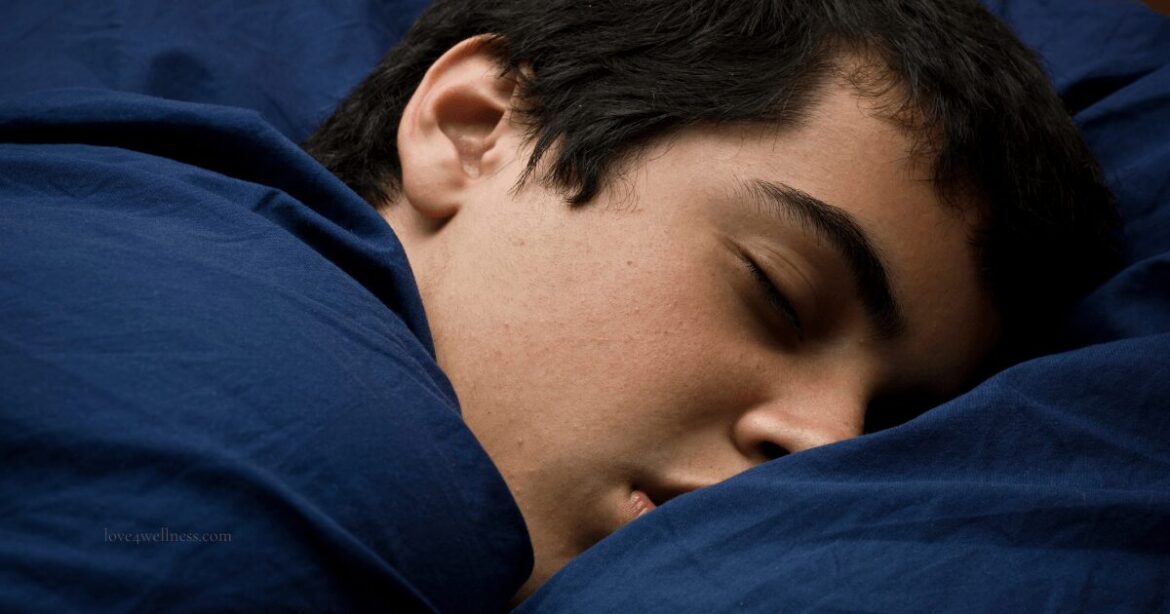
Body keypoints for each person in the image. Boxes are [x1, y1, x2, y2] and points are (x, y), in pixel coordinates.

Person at [0, 0, 1118, 610]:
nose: (823, 441)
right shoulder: (293, 439)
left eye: (889, 419)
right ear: (475, 126)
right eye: (778, 292)